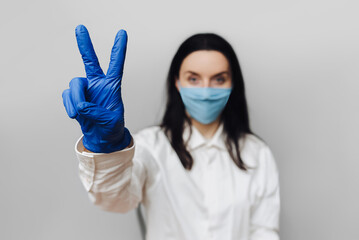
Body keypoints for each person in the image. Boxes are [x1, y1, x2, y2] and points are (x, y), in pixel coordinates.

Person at [62, 25, 280, 240]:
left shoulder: (257, 153)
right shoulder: (151, 146)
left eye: (219, 79)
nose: (205, 90)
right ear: (177, 82)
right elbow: (114, 201)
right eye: (193, 79)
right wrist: (107, 148)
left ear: (233, 83)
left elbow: (264, 231)